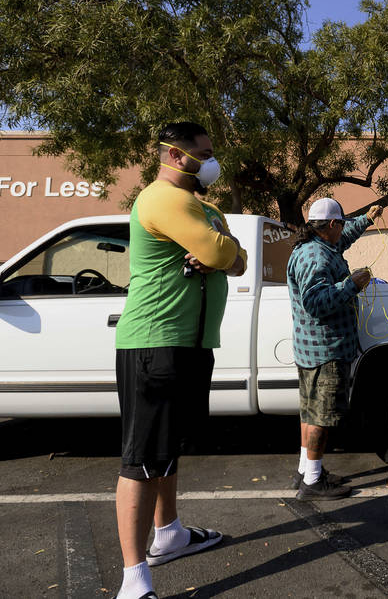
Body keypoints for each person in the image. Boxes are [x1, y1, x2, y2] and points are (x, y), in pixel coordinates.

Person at [114, 122, 247, 599]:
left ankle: (168, 533)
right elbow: (218, 248)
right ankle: (133, 581)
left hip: (189, 345)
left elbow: (240, 258)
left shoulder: (203, 205)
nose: (211, 161)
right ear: (175, 155)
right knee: (142, 458)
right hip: (156, 343)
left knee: (166, 451)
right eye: (204, 153)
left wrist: (219, 252)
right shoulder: (161, 198)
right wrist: (215, 251)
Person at [287, 197, 383, 499]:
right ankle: (313, 483)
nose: (343, 231)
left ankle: (307, 470)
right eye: (341, 224)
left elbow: (345, 237)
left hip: (311, 350)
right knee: (320, 417)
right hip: (326, 352)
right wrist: (352, 284)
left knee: (309, 412)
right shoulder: (318, 256)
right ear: (331, 225)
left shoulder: (318, 246)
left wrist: (366, 218)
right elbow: (315, 303)